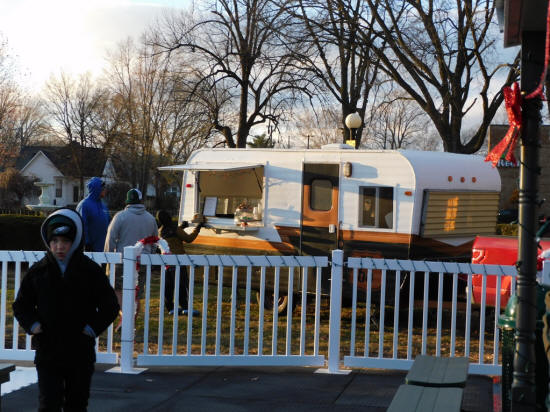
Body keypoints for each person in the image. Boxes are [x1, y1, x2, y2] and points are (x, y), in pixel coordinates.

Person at [12, 208, 119, 411]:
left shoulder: (90, 271)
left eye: (65, 241)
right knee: (48, 404)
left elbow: (110, 306)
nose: (59, 247)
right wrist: (33, 325)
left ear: (75, 242)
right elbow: (21, 305)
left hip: (80, 351)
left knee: (76, 404)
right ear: (48, 242)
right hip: (48, 351)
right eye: (54, 241)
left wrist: (91, 329)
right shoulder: (39, 271)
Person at [104, 188, 158, 304]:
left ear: (127, 201)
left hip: (121, 261)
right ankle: (133, 315)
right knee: (137, 292)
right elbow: (155, 241)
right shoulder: (151, 218)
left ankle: (123, 313)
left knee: (118, 290)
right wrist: (150, 254)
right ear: (141, 200)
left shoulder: (120, 216)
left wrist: (109, 257)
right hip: (142, 262)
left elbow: (110, 238)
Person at [156, 210, 204, 316]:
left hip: (167, 263)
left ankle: (170, 308)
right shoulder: (175, 229)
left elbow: (172, 237)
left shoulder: (160, 231)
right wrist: (197, 228)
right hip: (179, 261)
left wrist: (182, 227)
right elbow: (189, 239)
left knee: (168, 286)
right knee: (181, 285)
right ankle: (185, 307)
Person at [76, 177, 110, 252]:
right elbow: (82, 225)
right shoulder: (84, 205)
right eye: (103, 188)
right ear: (97, 189)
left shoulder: (103, 205)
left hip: (103, 249)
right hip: (89, 249)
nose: (105, 190)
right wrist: (86, 243)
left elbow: (109, 223)